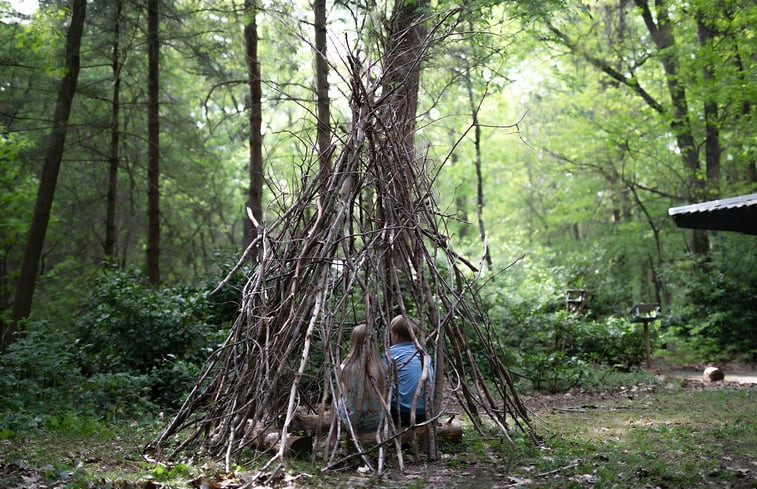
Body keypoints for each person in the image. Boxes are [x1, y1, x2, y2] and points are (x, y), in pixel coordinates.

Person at [337, 323, 388, 433]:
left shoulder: (345, 368)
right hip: (377, 420)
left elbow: (344, 391)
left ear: (354, 343)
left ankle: (333, 436)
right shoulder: (383, 367)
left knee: (338, 396)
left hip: (352, 421)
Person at [389, 314, 434, 426]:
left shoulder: (390, 354)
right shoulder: (425, 355)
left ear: (396, 336)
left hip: (401, 413)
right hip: (425, 412)